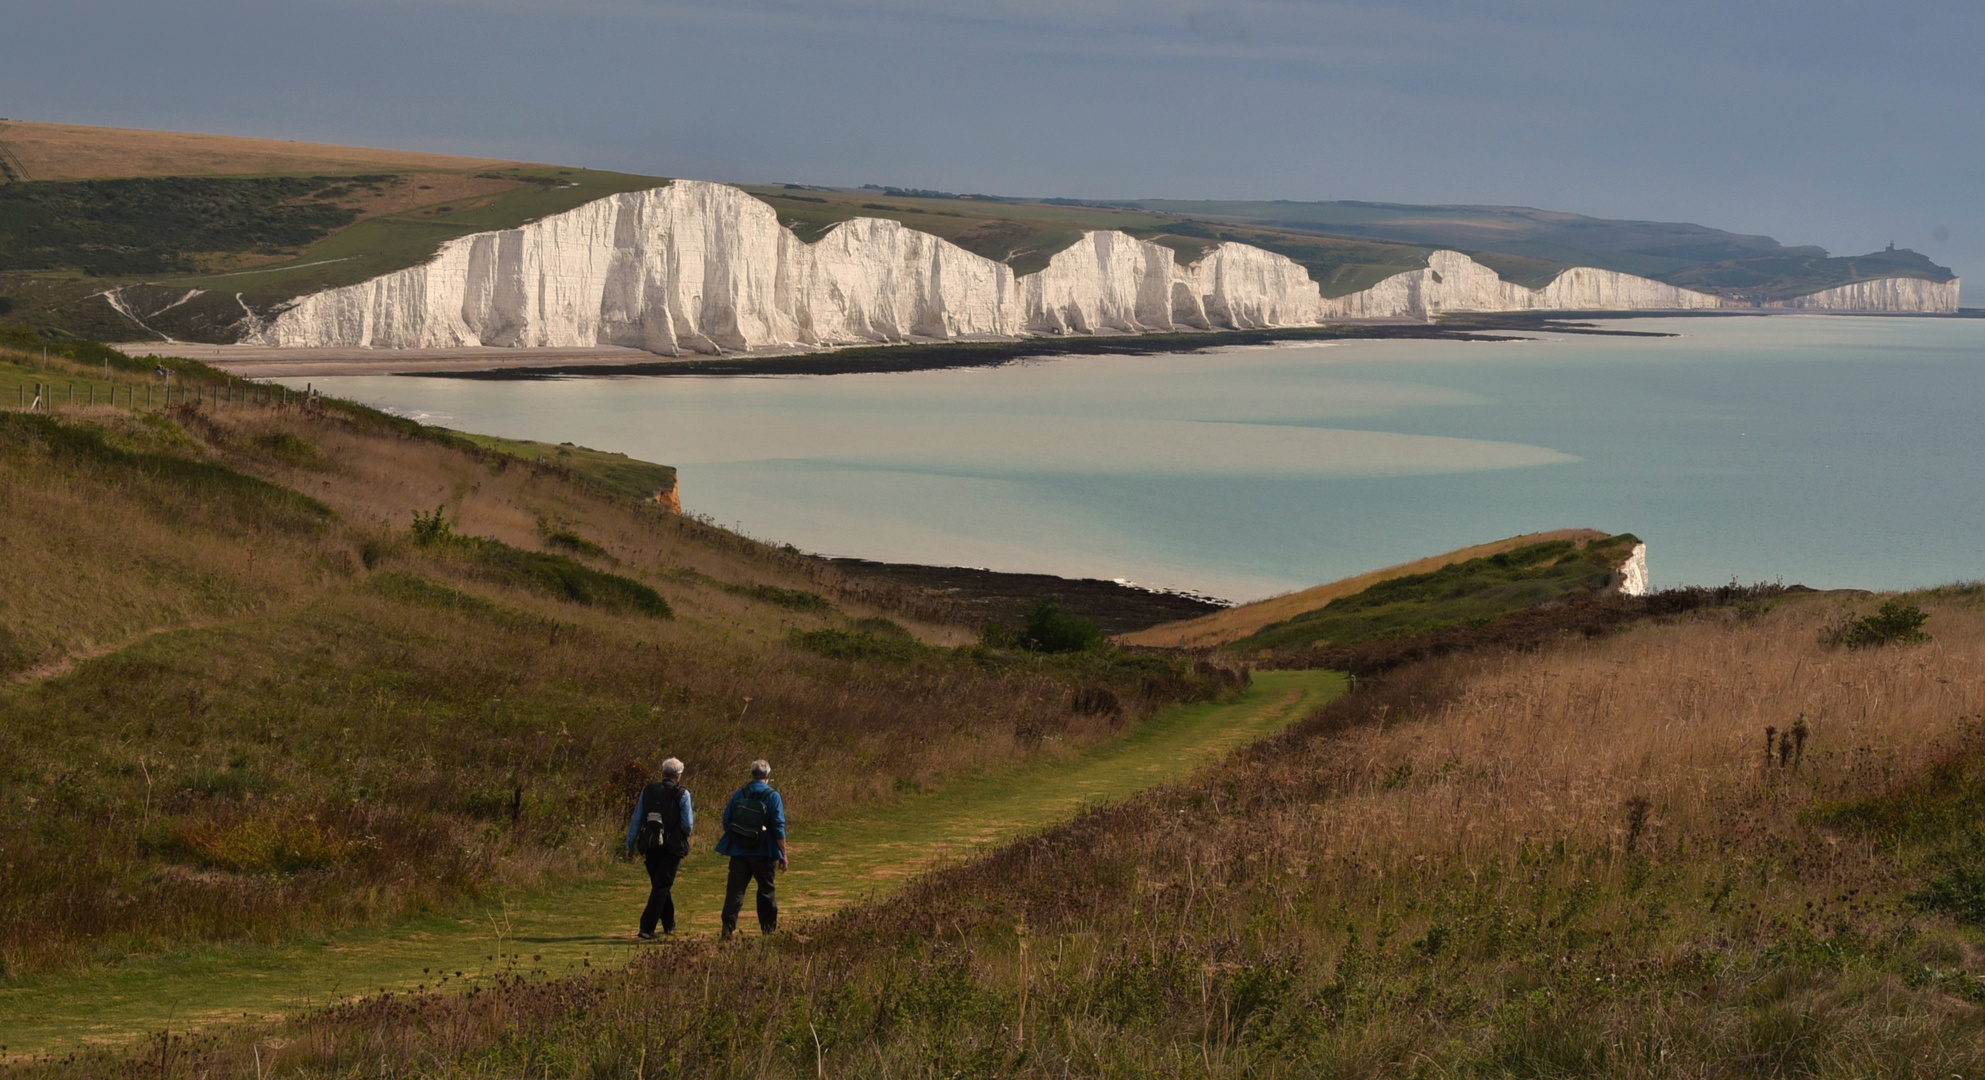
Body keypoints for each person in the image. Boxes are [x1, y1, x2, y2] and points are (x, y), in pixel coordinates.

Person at [715, 759, 786, 939]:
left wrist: (739, 837)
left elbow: (726, 820)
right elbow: (778, 826)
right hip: (764, 852)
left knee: (735, 892)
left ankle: (727, 928)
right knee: (766, 891)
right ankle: (768, 931)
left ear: (751, 774)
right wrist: (783, 854)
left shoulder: (740, 793)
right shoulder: (773, 796)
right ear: (768, 775)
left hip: (739, 852)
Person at [624, 757, 693, 939]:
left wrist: (629, 844)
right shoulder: (682, 794)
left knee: (660, 884)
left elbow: (637, 819)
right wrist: (683, 835)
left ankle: (669, 923)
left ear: (663, 773)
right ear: (679, 775)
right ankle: (646, 927)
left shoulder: (648, 790)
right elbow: (688, 824)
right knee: (662, 886)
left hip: (650, 843)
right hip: (672, 846)